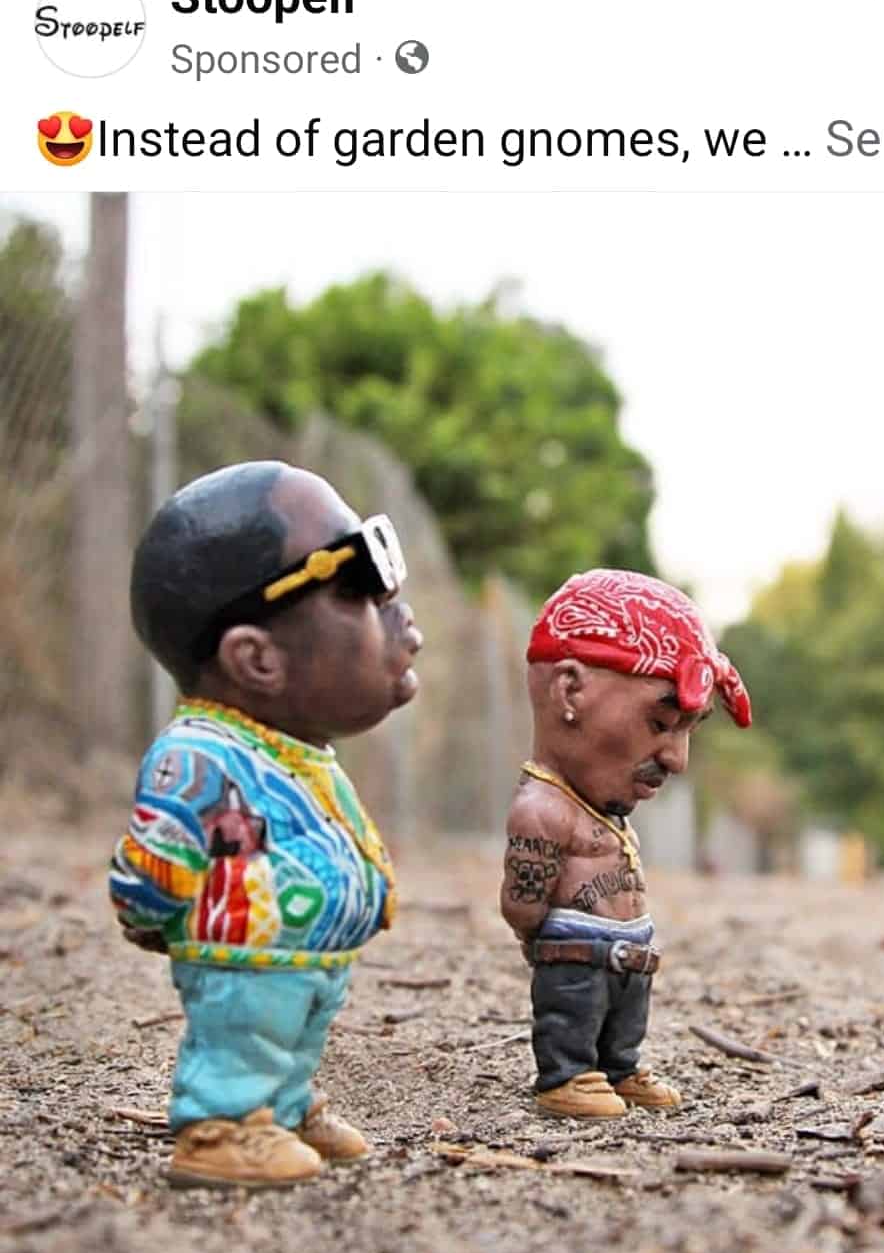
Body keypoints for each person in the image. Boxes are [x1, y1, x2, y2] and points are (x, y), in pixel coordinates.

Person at [110, 461, 423, 1187]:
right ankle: (222, 1124)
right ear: (255, 658)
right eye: (358, 584)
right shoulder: (198, 757)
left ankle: (280, 1107)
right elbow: (158, 848)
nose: (397, 607)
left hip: (302, 956)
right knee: (245, 1034)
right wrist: (148, 906)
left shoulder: (293, 751)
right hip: (241, 958)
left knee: (291, 1033)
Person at [501, 568, 751, 1120]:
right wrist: (535, 934)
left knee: (623, 1017)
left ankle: (618, 1067)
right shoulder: (543, 810)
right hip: (576, 951)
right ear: (570, 691)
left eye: (688, 731)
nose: (677, 759)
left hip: (626, 954)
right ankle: (566, 1074)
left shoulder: (603, 809)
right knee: (573, 1009)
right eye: (660, 723)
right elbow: (522, 900)